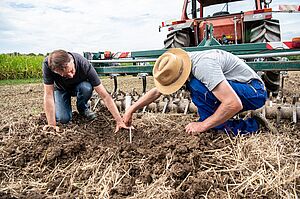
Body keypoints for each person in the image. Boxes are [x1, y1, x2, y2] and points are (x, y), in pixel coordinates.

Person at [123, 48, 268, 136]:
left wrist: (203, 125)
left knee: (197, 88)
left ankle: (255, 125)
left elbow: (233, 103)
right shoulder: (181, 64)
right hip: (239, 89)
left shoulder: (203, 66)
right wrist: (131, 110)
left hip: (255, 92)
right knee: (211, 119)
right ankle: (217, 124)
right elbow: (156, 92)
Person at [42, 49, 128, 132]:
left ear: (71, 61)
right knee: (63, 119)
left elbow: (105, 96)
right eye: (65, 76)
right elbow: (48, 95)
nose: (71, 76)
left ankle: (83, 109)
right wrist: (52, 125)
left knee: (86, 88)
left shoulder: (84, 64)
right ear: (55, 71)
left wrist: (119, 121)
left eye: (72, 70)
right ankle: (64, 109)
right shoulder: (47, 65)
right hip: (61, 89)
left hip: (80, 87)